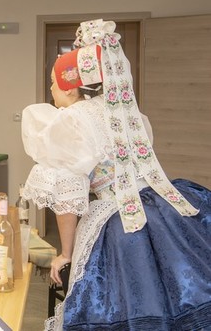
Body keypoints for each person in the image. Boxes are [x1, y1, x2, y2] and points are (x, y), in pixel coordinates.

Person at [21, 20, 211, 330]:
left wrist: (66, 254)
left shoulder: (72, 120)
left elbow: (68, 195)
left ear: (71, 86)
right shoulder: (128, 111)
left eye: (53, 82)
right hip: (162, 206)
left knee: (124, 300)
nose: (51, 89)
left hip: (119, 218)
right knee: (175, 290)